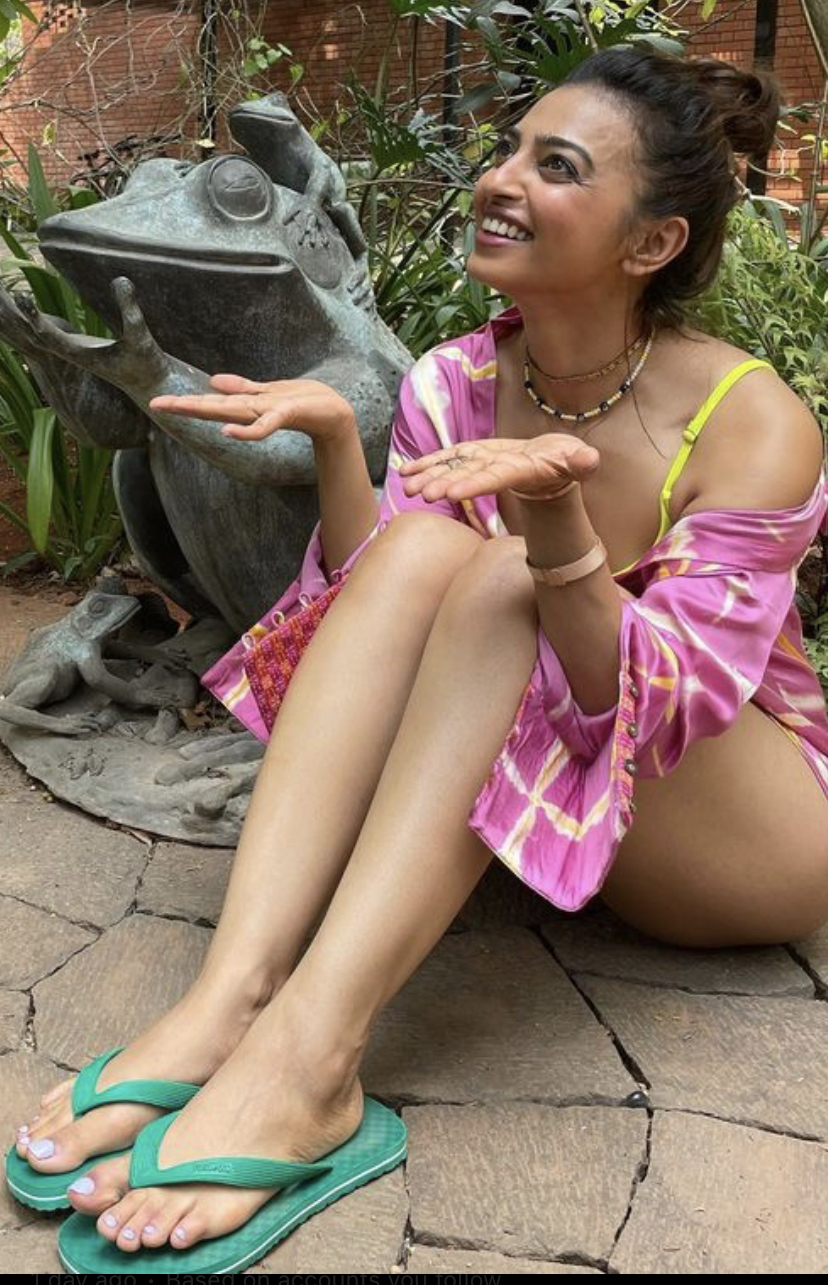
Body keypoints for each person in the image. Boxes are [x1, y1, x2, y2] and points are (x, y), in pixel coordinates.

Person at [10, 44, 828, 1265]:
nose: (502, 179)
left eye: (557, 167)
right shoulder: (461, 376)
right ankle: (230, 1000)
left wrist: (556, 528)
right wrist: (340, 446)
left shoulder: (750, 417)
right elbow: (384, 608)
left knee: (502, 570)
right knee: (446, 553)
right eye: (510, 148)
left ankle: (311, 1062)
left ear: (653, 241)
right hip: (570, 803)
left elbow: (659, 711)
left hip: (745, 836)